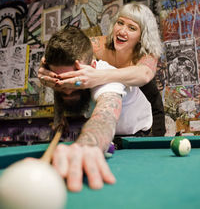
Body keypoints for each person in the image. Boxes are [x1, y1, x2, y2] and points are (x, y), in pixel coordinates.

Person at [41, 26, 152, 192]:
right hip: (109, 137)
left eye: (74, 80)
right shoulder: (57, 78)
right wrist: (59, 117)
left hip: (137, 135)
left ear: (92, 66)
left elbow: (106, 115)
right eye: (61, 82)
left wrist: (88, 145)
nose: (68, 89)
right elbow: (61, 89)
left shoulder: (106, 78)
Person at [38, 2, 166, 136]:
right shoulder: (97, 45)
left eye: (132, 28)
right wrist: (45, 68)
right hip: (113, 120)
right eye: (120, 23)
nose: (122, 31)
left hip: (147, 109)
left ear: (142, 36)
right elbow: (64, 60)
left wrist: (96, 77)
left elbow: (144, 75)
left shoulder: (147, 52)